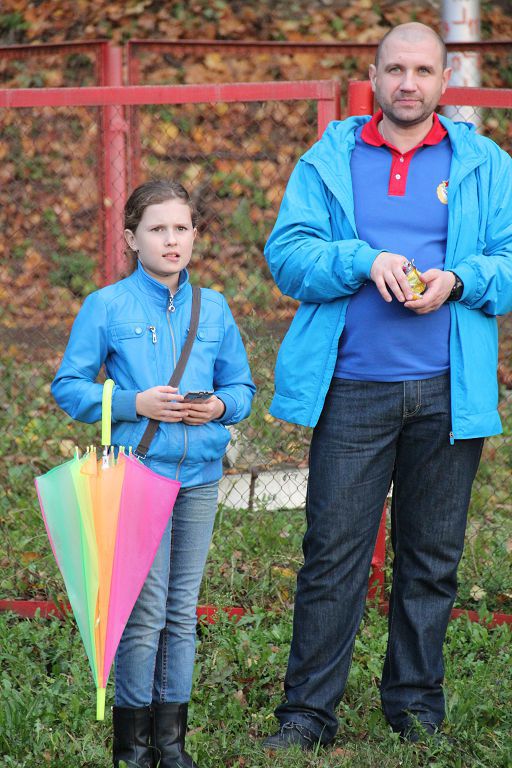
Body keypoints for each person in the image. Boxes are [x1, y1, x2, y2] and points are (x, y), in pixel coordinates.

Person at [262, 22, 512, 749]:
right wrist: (361, 260)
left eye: (423, 70)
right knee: (331, 557)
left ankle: (415, 708)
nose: (408, 83)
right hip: (352, 388)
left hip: (448, 391)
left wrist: (458, 280)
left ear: (444, 81)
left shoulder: (485, 164)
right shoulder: (329, 159)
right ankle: (307, 715)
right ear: (373, 77)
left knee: (431, 561)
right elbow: (288, 258)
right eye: (395, 69)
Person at [52, 180, 255, 768]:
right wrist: (132, 403)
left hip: (201, 476)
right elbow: (68, 386)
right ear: (131, 239)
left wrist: (219, 407)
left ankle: (172, 745)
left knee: (181, 612)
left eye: (181, 228)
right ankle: (133, 748)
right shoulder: (107, 306)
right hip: (137, 476)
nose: (172, 240)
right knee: (145, 613)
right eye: (157, 229)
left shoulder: (213, 307)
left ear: (194, 235)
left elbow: (241, 387)